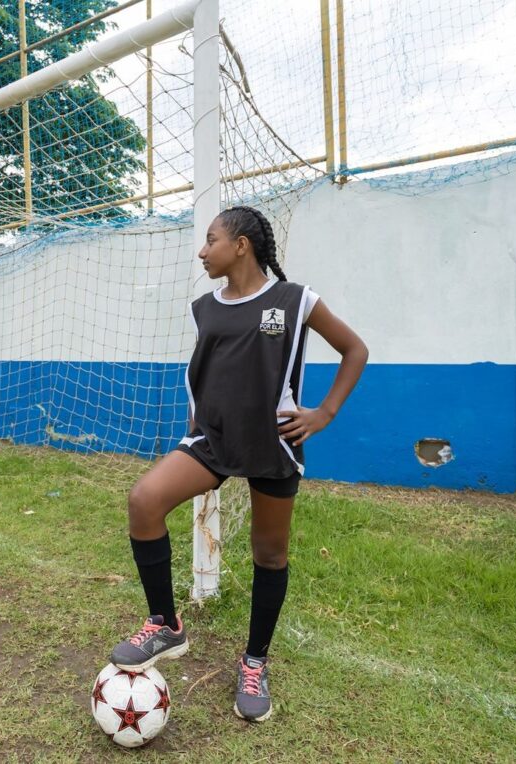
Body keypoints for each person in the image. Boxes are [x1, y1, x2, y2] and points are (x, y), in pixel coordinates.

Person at [109, 205, 369, 722]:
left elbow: (354, 349)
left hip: (271, 441)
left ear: (242, 245)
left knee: (269, 554)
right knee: (144, 501)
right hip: (211, 439)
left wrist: (323, 413)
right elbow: (206, 371)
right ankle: (166, 624)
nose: (202, 251)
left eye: (211, 240)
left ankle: (254, 661)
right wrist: (193, 425)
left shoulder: (294, 301)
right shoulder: (204, 308)